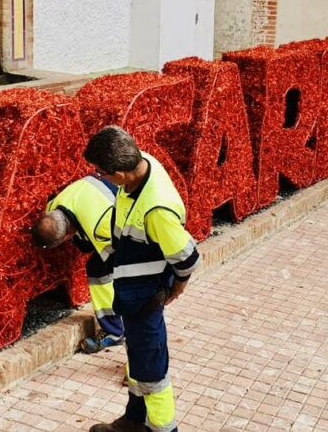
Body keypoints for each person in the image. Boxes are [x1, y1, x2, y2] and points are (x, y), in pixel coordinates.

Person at [83, 126, 200, 432]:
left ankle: (162, 428)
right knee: (136, 359)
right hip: (132, 294)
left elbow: (187, 257)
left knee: (151, 371)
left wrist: (176, 287)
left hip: (146, 296)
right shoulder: (141, 163)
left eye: (102, 174)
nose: (101, 178)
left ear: (120, 174)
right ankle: (133, 421)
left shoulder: (156, 210)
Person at [33, 174, 126, 353]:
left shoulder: (101, 227)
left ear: (67, 235)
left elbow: (118, 256)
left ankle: (114, 332)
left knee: (101, 271)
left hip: (124, 222)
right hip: (104, 196)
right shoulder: (52, 210)